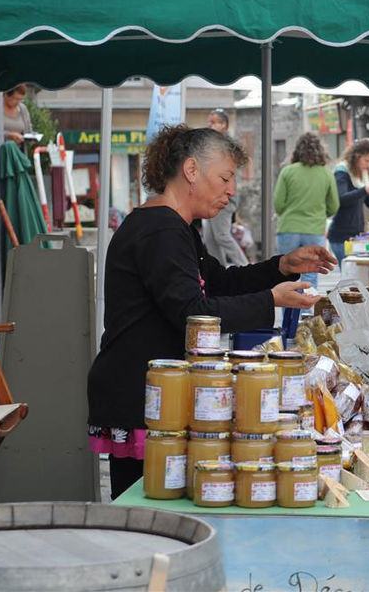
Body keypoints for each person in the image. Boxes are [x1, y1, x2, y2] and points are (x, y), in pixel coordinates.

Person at [87, 125, 335, 498]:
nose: (231, 190)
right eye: (224, 178)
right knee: (147, 509)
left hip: (159, 391)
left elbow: (217, 281)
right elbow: (193, 311)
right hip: (143, 394)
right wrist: (270, 300)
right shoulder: (160, 231)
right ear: (191, 170)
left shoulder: (179, 228)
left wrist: (282, 266)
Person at [274, 132, 339, 289]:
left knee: (286, 275)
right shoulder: (326, 173)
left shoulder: (287, 171)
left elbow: (278, 204)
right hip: (314, 230)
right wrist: (319, 214)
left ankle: (289, 306)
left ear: (297, 151)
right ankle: (308, 305)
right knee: (310, 275)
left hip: (289, 228)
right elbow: (334, 206)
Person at [326, 138, 369, 266]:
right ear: (356, 157)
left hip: (356, 235)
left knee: (359, 275)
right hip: (341, 236)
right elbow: (341, 199)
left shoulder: (362, 176)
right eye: (366, 161)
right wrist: (365, 190)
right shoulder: (342, 172)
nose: (368, 165)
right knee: (350, 274)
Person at [202, 109, 249, 267]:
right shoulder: (212, 144)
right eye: (209, 122)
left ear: (224, 125)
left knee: (222, 236)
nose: (209, 125)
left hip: (223, 196)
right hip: (210, 196)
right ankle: (219, 272)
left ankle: (245, 267)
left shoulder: (227, 146)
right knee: (210, 239)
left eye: (213, 122)